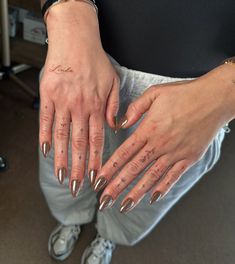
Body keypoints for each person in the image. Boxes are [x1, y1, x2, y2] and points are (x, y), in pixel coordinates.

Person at [39, 0, 235, 263]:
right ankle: (71, 217)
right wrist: (66, 13)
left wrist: (226, 92)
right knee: (66, 163)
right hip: (85, 58)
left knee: (141, 190)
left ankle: (110, 235)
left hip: (194, 96)